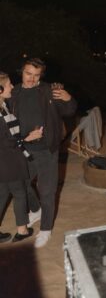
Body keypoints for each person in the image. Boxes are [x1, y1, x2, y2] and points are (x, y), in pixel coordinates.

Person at [8, 58, 77, 248]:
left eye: (36, 75)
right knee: (21, 185)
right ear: (21, 72)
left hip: (47, 150)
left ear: (41, 76)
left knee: (47, 191)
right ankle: (36, 210)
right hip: (23, 148)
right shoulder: (14, 92)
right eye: (28, 74)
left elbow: (70, 110)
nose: (31, 79)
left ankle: (46, 229)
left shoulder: (48, 91)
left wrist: (68, 98)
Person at [0, 72, 42, 243]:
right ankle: (22, 230)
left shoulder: (3, 106)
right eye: (8, 84)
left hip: (5, 160)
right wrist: (27, 138)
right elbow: (6, 141)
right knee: (19, 193)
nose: (12, 86)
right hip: (9, 160)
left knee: (2, 194)